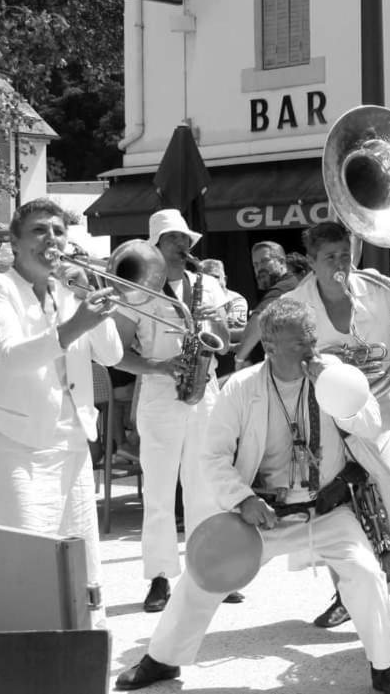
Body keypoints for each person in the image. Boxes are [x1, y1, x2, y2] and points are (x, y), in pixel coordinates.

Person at [114, 299, 390, 693]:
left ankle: (386, 668)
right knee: (202, 578)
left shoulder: (335, 374)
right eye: (298, 344)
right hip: (261, 513)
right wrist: (242, 500)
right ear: (270, 347)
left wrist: (337, 392)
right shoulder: (241, 387)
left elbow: (371, 424)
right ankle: (162, 660)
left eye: (311, 340)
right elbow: (213, 456)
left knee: (364, 573)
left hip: (327, 510)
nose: (310, 350)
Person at [285, 220, 390, 628]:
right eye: (330, 258)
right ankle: (347, 592)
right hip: (326, 412)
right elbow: (286, 352)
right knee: (329, 501)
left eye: (346, 255)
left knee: (388, 476)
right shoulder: (296, 302)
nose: (341, 265)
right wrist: (318, 363)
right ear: (311, 262)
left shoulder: (375, 284)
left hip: (381, 404)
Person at [0, 198, 123, 627]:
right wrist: (77, 325)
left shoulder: (68, 291)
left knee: (82, 567)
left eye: (57, 230)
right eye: (38, 230)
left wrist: (93, 297)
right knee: (22, 566)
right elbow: (7, 360)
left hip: (72, 446)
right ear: (14, 243)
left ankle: (83, 656)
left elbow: (111, 355)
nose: (50, 239)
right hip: (19, 450)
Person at [112, 209, 230, 612]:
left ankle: (207, 571)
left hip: (205, 392)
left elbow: (225, 345)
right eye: (173, 240)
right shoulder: (138, 289)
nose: (183, 247)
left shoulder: (207, 286)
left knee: (205, 488)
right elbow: (117, 354)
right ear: (155, 248)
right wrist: (157, 366)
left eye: (186, 240)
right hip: (161, 393)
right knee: (161, 492)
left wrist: (214, 324)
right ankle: (160, 577)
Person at [233, 241, 302, 368]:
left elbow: (258, 321)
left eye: (265, 261)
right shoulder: (287, 285)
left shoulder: (283, 288)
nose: (260, 268)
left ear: (281, 262)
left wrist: (240, 359)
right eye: (256, 264)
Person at [199, 258, 248, 378]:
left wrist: (210, 328)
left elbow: (238, 332)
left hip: (229, 364)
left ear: (224, 279)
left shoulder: (235, 299)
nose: (211, 283)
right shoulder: (198, 297)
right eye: (207, 278)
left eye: (215, 277)